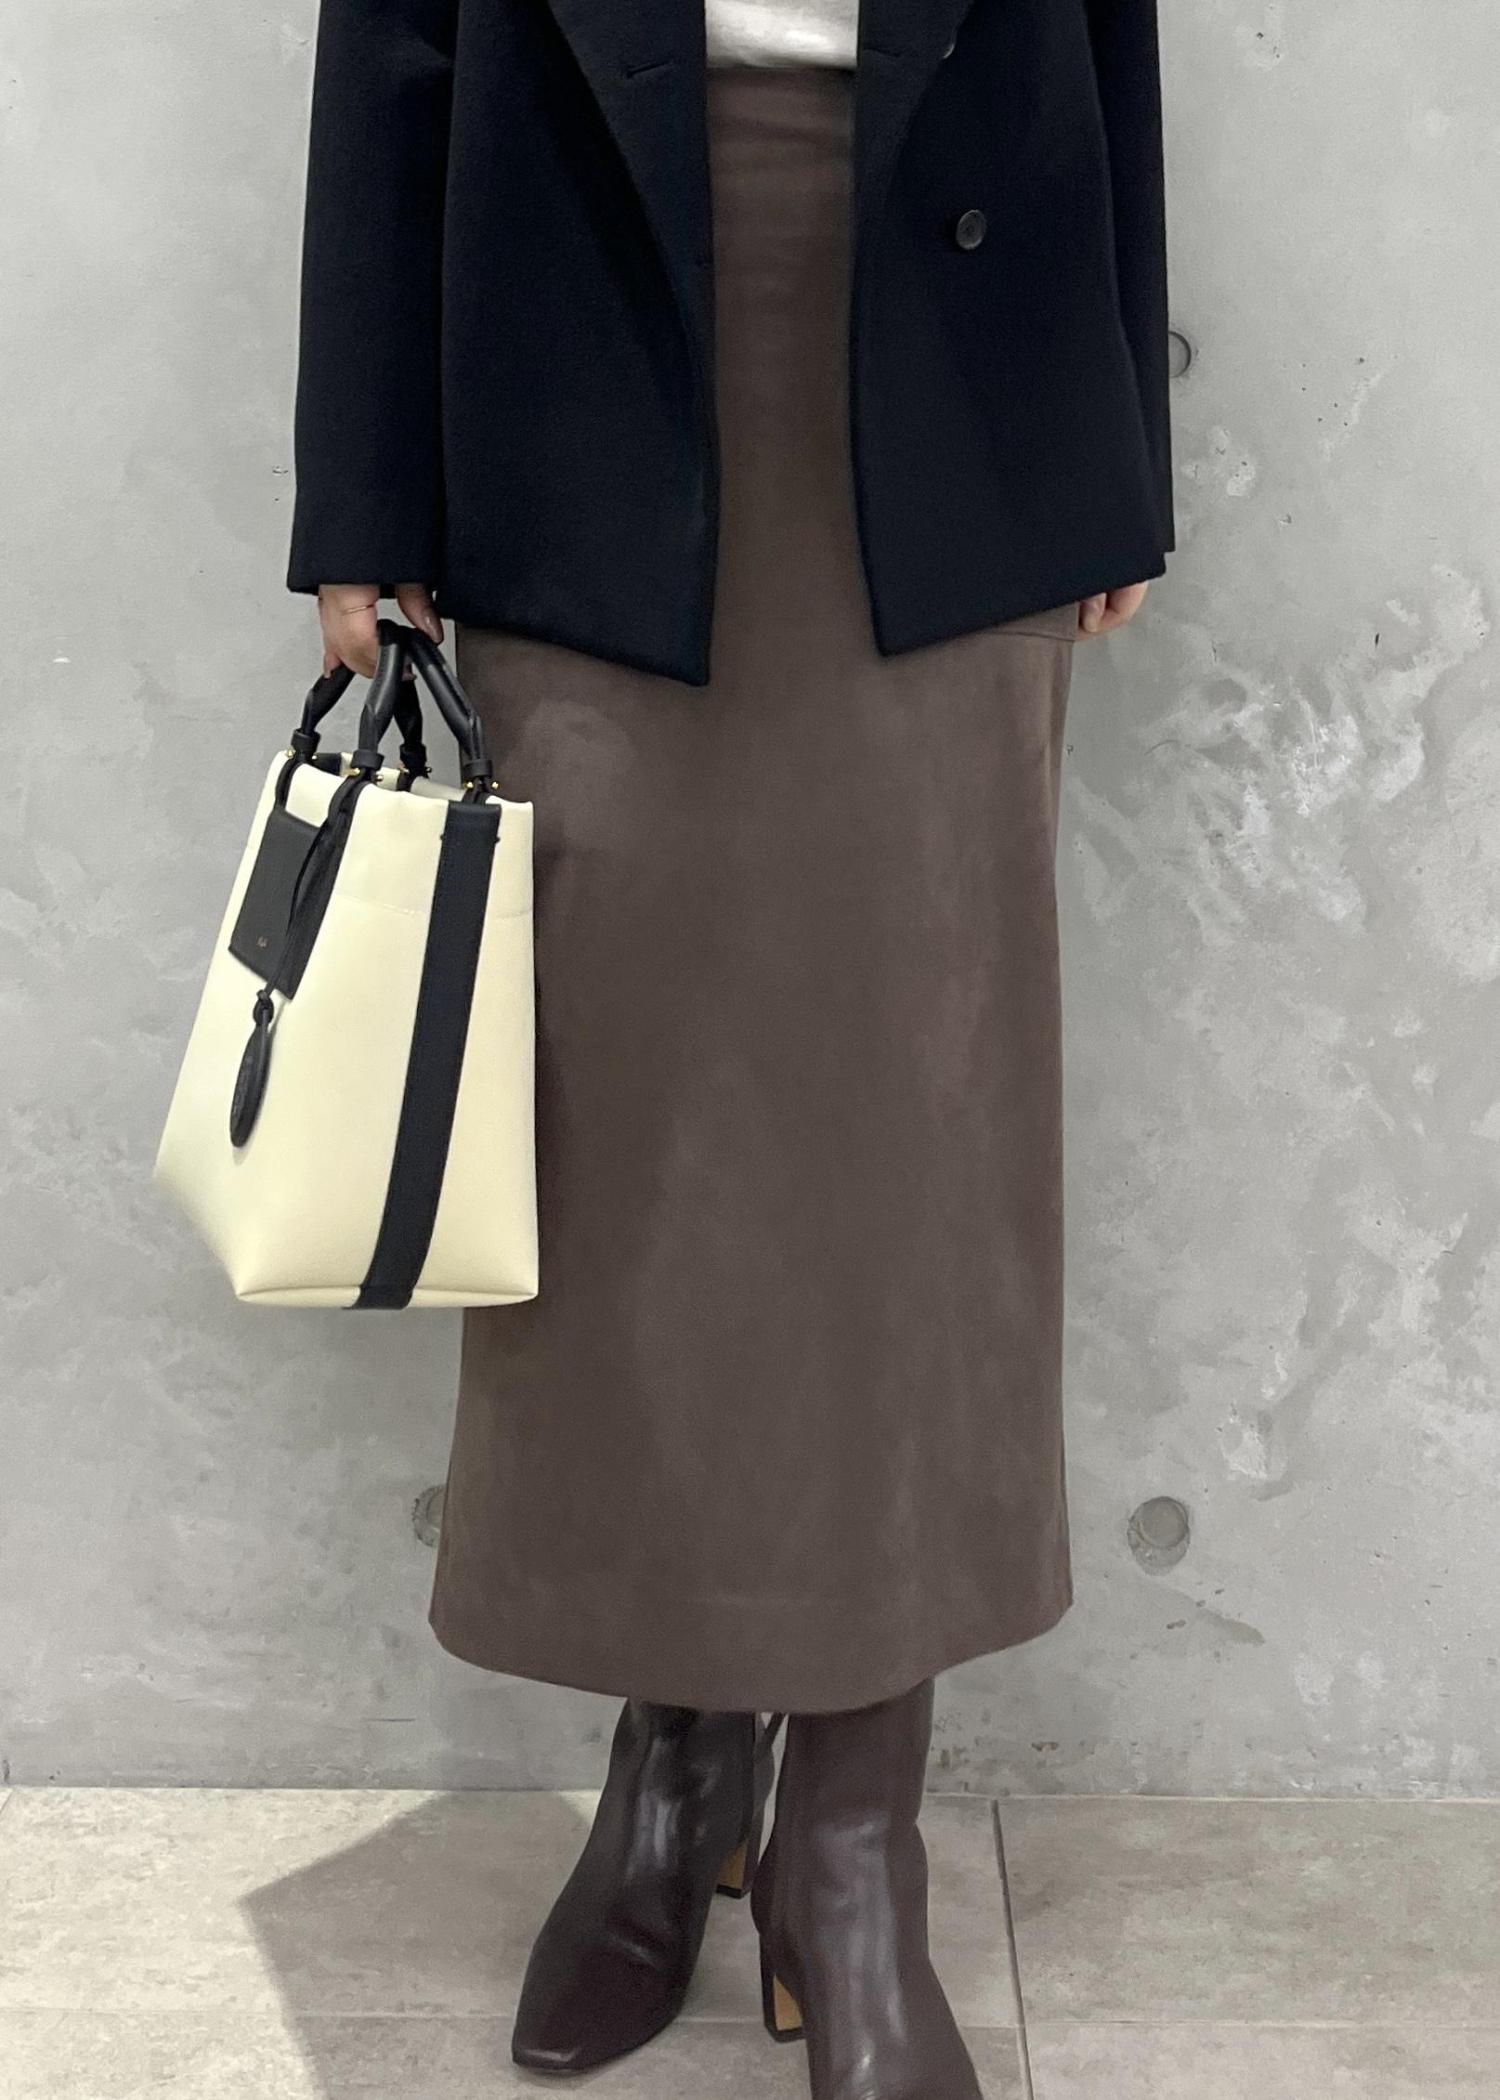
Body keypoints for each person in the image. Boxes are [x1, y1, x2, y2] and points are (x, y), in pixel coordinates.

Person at [289, 0, 1172, 2091]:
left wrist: (1111, 428)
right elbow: (390, 36)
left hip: (956, 350)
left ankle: (851, 1839)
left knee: (910, 1125)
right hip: (576, 332)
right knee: (637, 1135)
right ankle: (676, 1774)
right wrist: (365, 492)